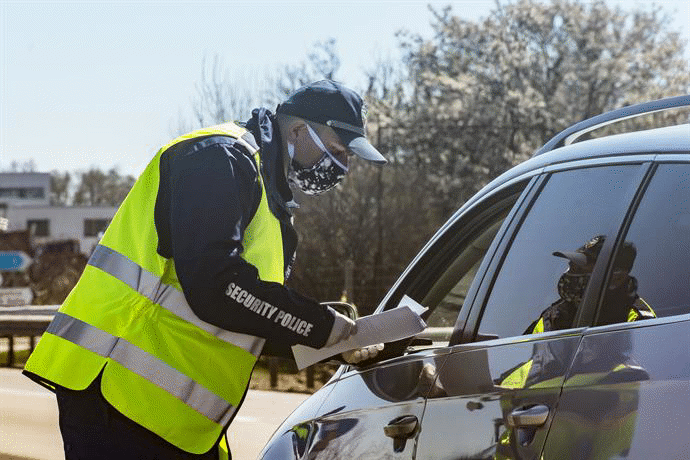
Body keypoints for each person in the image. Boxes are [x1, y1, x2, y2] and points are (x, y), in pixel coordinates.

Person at [23, 80, 387, 459]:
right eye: (336, 151)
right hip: (114, 389)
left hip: (163, 413)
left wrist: (333, 341)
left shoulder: (265, 187)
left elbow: (245, 312)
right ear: (297, 131)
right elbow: (217, 286)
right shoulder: (219, 158)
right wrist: (320, 326)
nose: (341, 167)